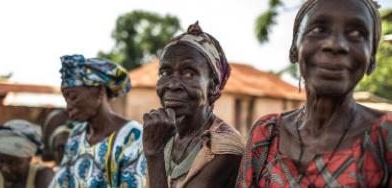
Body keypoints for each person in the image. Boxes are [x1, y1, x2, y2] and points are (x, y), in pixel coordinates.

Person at [236, 0, 392, 187]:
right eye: (319, 29)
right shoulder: (266, 133)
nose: (335, 45)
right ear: (294, 49)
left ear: (372, 59)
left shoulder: (386, 136)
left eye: (357, 33)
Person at [143, 22, 245, 188]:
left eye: (189, 73)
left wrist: (154, 154)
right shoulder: (165, 134)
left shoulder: (224, 148)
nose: (172, 84)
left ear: (213, 87)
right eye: (165, 73)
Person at [49, 55, 146, 188]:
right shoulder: (77, 135)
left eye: (73, 97)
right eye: (66, 99)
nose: (68, 107)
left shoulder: (133, 137)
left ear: (100, 91)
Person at [0, 119, 54, 188]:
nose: (5, 169)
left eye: (13, 163)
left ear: (29, 158)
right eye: (0, 161)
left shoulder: (42, 177)